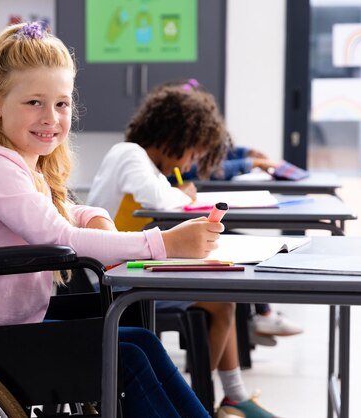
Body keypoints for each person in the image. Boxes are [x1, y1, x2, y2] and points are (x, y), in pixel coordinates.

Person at [0, 22, 221, 418]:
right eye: (34, 103)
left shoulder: (20, 161)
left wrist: (94, 215)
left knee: (139, 343)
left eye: (61, 104)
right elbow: (58, 234)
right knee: (126, 356)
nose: (51, 118)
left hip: (10, 324)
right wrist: (165, 244)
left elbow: (59, 214)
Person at [87, 80, 279, 418]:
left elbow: (167, 195)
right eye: (191, 152)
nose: (190, 161)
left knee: (222, 296)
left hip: (129, 269)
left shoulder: (145, 163)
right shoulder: (129, 154)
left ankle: (227, 398)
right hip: (111, 281)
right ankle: (206, 400)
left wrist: (182, 193)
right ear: (174, 135)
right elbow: (159, 198)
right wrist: (186, 195)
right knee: (221, 303)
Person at [165, 79, 304, 347]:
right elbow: (206, 169)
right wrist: (250, 162)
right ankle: (260, 315)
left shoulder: (184, 146)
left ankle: (258, 316)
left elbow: (217, 155)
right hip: (174, 227)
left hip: (181, 220)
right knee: (234, 244)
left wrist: (246, 154)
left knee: (239, 242)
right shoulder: (165, 153)